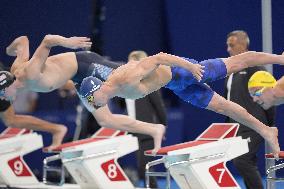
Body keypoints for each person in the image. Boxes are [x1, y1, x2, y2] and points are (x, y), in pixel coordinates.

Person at [83, 47, 284, 158]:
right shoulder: (108, 90)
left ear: (97, 90)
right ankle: (266, 130)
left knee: (235, 63)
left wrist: (190, 66)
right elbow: (108, 117)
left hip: (183, 72)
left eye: (91, 100)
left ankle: (279, 58)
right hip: (176, 86)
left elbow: (160, 57)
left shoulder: (124, 77)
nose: (93, 105)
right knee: (223, 106)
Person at [1, 35, 166, 153]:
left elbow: (47, 40)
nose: (2, 99)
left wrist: (68, 42)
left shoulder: (30, 73)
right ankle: (153, 129)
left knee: (128, 80)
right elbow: (22, 41)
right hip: (80, 79)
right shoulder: (16, 68)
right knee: (105, 120)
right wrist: (9, 50)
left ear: (7, 86)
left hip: (86, 64)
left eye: (1, 94)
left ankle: (173, 71)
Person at [224, 30, 275, 189]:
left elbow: (270, 98)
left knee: (242, 160)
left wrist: (268, 126)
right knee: (245, 162)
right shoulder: (229, 71)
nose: (228, 49)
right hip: (236, 127)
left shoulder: (256, 69)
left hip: (254, 125)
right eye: (227, 45)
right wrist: (227, 128)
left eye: (231, 45)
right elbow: (226, 102)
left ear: (243, 45)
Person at [126, 50, 167, 188]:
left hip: (146, 131)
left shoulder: (149, 84)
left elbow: (159, 108)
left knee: (144, 167)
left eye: (132, 63)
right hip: (131, 132)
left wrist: (162, 128)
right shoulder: (124, 84)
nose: (128, 66)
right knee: (142, 168)